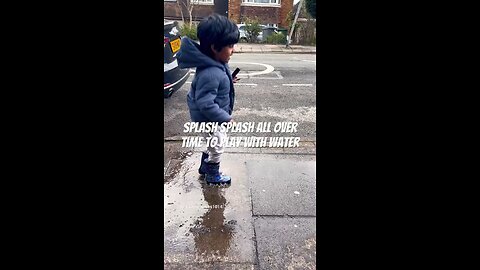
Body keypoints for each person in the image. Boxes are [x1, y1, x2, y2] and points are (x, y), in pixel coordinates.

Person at [177, 14, 240, 186]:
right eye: (230, 45)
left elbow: (215, 84)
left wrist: (229, 80)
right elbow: (205, 103)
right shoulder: (211, 72)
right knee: (218, 145)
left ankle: (204, 168)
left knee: (211, 143)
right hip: (209, 119)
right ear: (214, 47)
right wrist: (226, 118)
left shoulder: (215, 64)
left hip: (209, 119)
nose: (233, 49)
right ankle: (213, 175)